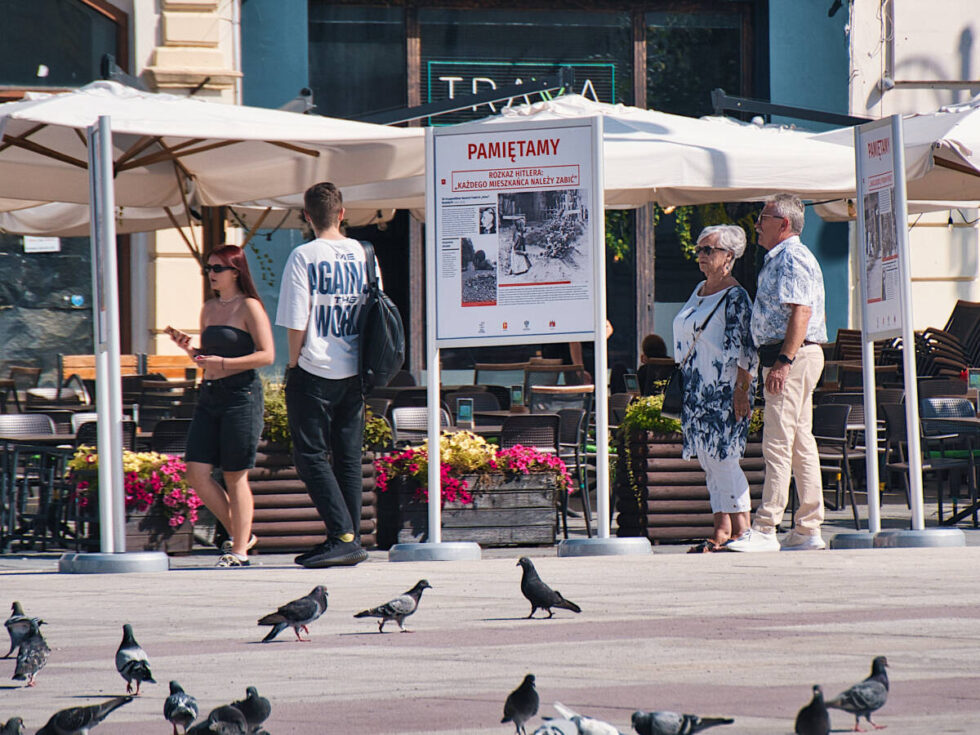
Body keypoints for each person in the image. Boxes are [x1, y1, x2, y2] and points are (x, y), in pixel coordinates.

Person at [276, 181, 374, 568]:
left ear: (306, 216)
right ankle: (352, 538)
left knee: (311, 456)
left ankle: (342, 535)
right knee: (348, 457)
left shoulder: (303, 256)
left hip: (315, 367)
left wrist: (293, 363)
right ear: (342, 213)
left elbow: (297, 319)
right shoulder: (365, 253)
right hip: (355, 368)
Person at [727, 193, 828, 552]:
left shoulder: (792, 257)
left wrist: (783, 362)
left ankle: (767, 526)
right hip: (792, 356)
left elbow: (801, 312)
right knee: (800, 443)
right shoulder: (780, 258)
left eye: (764, 217)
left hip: (792, 357)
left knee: (778, 441)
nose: (757, 224)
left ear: (784, 224)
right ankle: (807, 528)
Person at [167, 245, 274, 567]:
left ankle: (239, 550)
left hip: (241, 395)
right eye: (208, 269)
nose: (210, 274)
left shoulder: (249, 306)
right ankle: (241, 534)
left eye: (216, 268)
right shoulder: (209, 309)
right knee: (196, 473)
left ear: (235, 271)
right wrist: (189, 349)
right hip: (210, 393)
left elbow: (267, 355)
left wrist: (225, 362)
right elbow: (205, 360)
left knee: (234, 475)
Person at [671, 225, 758, 552]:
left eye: (709, 250)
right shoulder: (700, 289)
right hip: (696, 391)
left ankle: (743, 528)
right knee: (709, 461)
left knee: (725, 459)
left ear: (729, 257)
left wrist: (741, 390)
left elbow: (747, 349)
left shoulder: (736, 296)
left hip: (724, 391)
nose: (701, 256)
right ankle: (722, 529)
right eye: (699, 249)